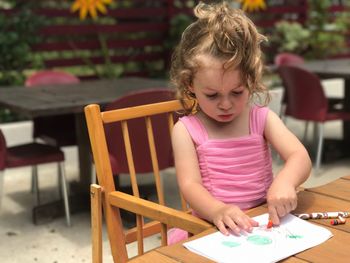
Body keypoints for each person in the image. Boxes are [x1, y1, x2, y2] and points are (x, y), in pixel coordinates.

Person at [168, 1, 312, 244]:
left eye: (237, 92)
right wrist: (217, 210)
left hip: (264, 222)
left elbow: (300, 156)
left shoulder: (261, 117)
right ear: (190, 85)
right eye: (212, 95)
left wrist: (285, 181)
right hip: (213, 227)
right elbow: (190, 185)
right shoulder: (186, 129)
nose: (225, 104)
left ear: (251, 81)